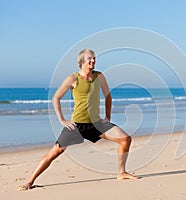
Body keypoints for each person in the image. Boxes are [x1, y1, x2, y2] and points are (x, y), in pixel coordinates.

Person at [17, 49, 138, 191]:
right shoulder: (72, 79)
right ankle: (29, 182)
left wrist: (108, 117)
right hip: (77, 125)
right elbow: (56, 98)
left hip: (96, 124)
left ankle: (121, 172)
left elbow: (108, 96)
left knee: (125, 139)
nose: (93, 61)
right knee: (54, 153)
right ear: (81, 62)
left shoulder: (99, 76)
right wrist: (62, 120)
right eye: (89, 59)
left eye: (94, 58)